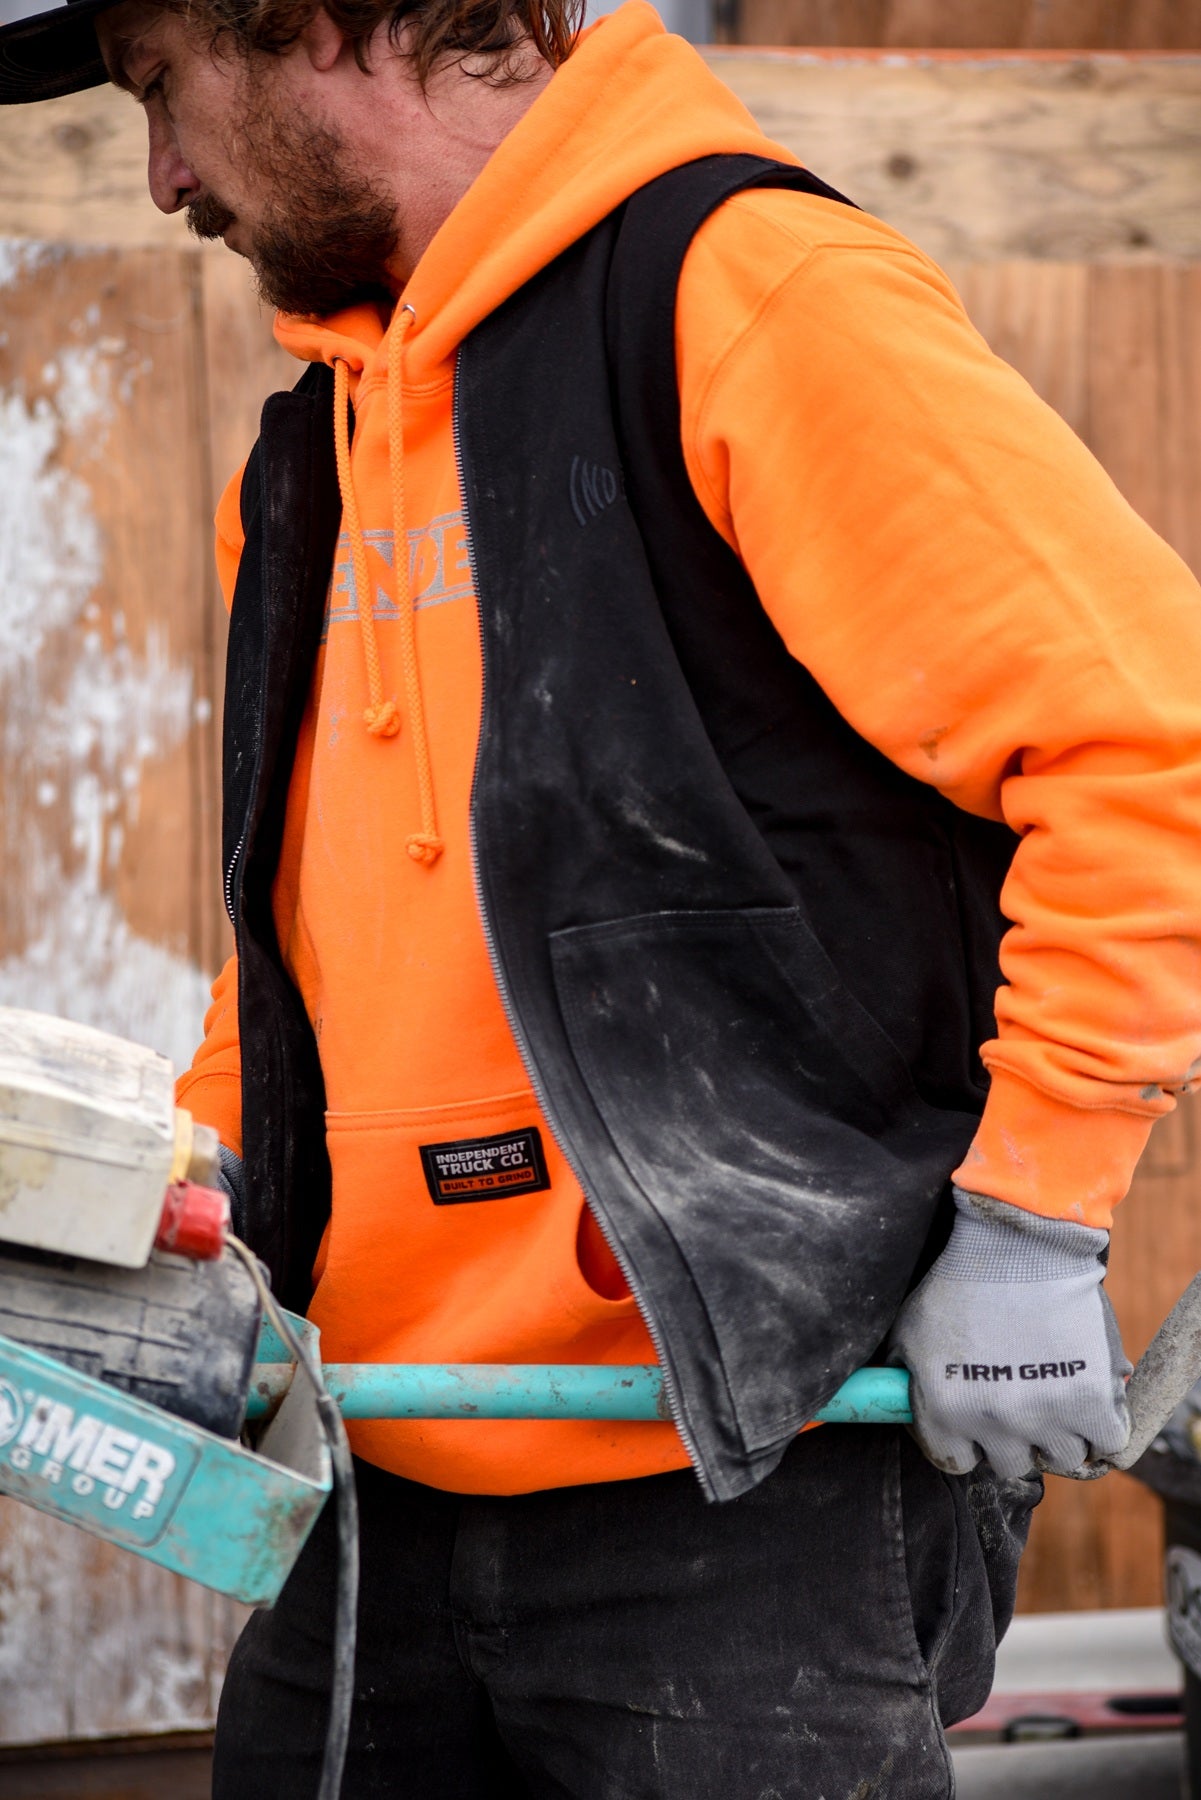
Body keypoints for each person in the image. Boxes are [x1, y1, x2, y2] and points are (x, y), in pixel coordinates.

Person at [3, 0, 1200, 1791]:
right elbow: (306, 942)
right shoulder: (316, 449)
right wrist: (205, 1196)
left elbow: (1149, 749)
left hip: (744, 1488)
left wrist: (1035, 1214)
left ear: (307, 17)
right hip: (369, 1478)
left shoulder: (747, 294)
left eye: (160, 87)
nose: (164, 172)